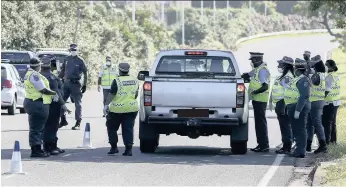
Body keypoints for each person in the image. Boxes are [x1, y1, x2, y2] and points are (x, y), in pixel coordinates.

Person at [23, 58, 58, 157]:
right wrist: (54, 93)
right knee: (37, 128)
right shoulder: (34, 75)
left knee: (34, 127)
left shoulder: (28, 74)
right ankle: (36, 150)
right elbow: (43, 89)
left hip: (31, 101)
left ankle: (36, 148)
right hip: (37, 103)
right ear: (38, 66)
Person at [103, 62, 139, 156]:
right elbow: (135, 94)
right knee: (128, 128)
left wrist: (106, 105)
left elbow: (111, 94)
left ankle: (114, 147)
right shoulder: (135, 80)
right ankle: (128, 150)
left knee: (111, 127)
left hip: (117, 109)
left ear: (119, 70)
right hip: (132, 108)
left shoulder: (117, 80)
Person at [40, 56, 71, 155]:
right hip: (53, 104)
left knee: (47, 126)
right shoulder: (51, 77)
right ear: (50, 65)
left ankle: (52, 145)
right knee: (52, 126)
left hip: (42, 104)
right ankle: (49, 147)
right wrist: (63, 105)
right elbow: (56, 91)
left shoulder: (37, 76)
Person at [241, 52, 271, 152]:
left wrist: (255, 92)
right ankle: (260, 144)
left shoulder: (262, 71)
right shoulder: (257, 70)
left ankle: (264, 145)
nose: (252, 62)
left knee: (261, 123)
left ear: (258, 60)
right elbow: (247, 75)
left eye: (253, 60)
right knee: (258, 123)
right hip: (256, 100)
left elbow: (265, 86)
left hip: (260, 100)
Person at [284, 58, 311, 158]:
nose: (294, 70)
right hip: (293, 106)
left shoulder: (303, 80)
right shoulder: (298, 78)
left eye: (295, 68)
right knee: (296, 130)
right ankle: (298, 150)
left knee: (300, 129)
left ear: (298, 69)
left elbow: (304, 95)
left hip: (299, 107)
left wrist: (298, 110)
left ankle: (300, 151)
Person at [59, 44, 88, 130]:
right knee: (61, 102)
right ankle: (63, 120)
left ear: (77, 51)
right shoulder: (67, 59)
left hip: (76, 84)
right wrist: (57, 78)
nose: (73, 51)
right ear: (70, 50)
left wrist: (85, 84)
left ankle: (78, 122)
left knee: (77, 104)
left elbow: (85, 72)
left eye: (75, 50)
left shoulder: (80, 60)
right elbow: (63, 71)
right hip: (66, 83)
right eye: (72, 50)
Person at [269, 56, 294, 154]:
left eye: (280, 64)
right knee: (283, 126)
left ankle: (287, 147)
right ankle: (285, 145)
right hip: (279, 103)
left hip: (283, 103)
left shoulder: (287, 77)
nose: (278, 65)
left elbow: (288, 92)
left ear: (285, 65)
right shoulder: (283, 76)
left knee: (285, 126)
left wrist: (283, 105)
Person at [306, 56, 328, 154]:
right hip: (318, 100)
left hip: (314, 101)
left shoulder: (316, 76)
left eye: (312, 65)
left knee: (316, 123)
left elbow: (310, 84)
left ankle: (323, 145)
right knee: (310, 123)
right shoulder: (323, 75)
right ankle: (308, 145)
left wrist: (307, 71)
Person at [323, 59, 341, 144]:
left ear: (332, 67)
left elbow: (327, 90)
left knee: (327, 123)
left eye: (327, 65)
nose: (325, 66)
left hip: (329, 102)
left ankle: (327, 141)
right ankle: (333, 141)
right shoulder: (336, 75)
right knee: (332, 122)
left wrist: (321, 98)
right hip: (336, 101)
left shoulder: (330, 76)